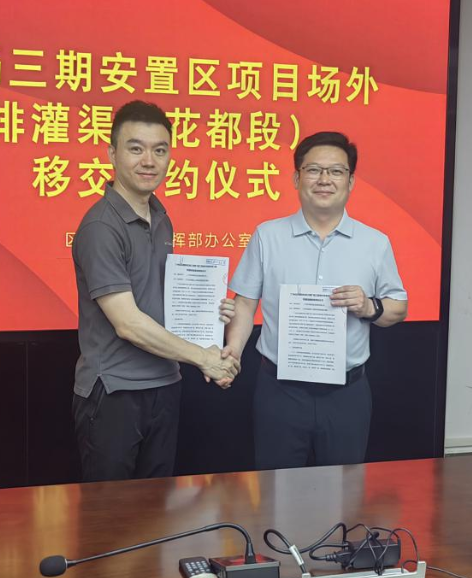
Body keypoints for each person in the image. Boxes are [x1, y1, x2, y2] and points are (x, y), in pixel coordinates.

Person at [72, 100, 238, 481]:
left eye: (160, 150)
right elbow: (128, 323)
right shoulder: (101, 227)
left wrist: (209, 313)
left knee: (157, 507)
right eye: (136, 148)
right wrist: (204, 358)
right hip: (115, 393)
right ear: (112, 154)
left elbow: (160, 301)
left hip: (165, 385)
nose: (149, 161)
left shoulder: (161, 218)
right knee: (112, 512)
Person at [224, 131, 407, 470]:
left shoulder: (375, 243)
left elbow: (398, 306)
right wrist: (232, 352)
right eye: (313, 170)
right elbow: (245, 304)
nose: (324, 179)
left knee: (344, 492)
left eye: (336, 171)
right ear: (297, 178)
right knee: (275, 490)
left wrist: (369, 306)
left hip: (347, 395)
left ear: (350, 181)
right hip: (280, 392)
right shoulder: (267, 235)